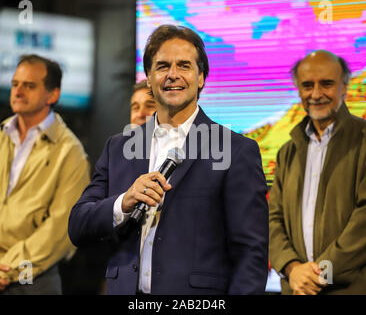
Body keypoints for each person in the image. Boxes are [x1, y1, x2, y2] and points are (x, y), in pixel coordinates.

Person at [68, 25, 269, 295]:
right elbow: (78, 225)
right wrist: (123, 202)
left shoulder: (236, 150)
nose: (173, 75)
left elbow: (251, 255)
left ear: (201, 78)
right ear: (149, 79)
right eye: (162, 66)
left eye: (184, 65)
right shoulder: (119, 147)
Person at [0, 54, 90, 295]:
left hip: (32, 280)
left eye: (29, 85)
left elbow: (62, 227)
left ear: (53, 94)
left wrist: (4, 271)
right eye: (16, 84)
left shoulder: (70, 151)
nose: (18, 91)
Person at [268, 50, 366, 295]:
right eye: (308, 85)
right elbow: (273, 219)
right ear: (299, 91)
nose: (316, 94)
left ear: (344, 87)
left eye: (326, 84)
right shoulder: (288, 152)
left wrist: (318, 273)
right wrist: (292, 268)